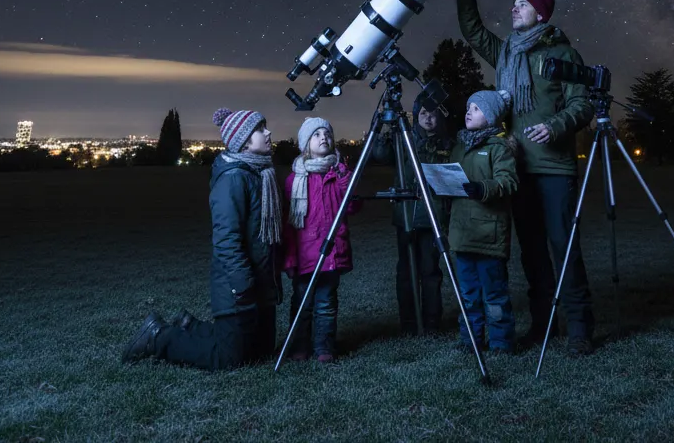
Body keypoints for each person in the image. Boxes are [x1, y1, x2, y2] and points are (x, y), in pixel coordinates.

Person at [455, 0, 596, 354]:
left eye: (523, 5)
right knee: (531, 250)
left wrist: (555, 126)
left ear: (542, 14)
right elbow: (473, 32)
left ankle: (581, 328)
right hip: (516, 169)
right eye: (514, 4)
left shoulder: (563, 53)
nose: (514, 9)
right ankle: (543, 323)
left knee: (562, 246)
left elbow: (582, 104)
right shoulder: (506, 53)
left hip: (553, 167)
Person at [120, 107, 282, 369]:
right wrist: (242, 285)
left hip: (261, 284)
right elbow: (227, 240)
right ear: (243, 140)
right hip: (238, 284)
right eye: (260, 129)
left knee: (261, 353)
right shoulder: (233, 178)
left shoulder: (260, 174)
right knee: (227, 359)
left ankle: (189, 325)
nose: (268, 132)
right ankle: (158, 337)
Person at [370, 97, 453, 335]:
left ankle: (431, 322)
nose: (428, 118)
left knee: (430, 271)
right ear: (415, 115)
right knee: (406, 272)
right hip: (406, 214)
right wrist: (385, 129)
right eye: (424, 113)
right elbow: (380, 155)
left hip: (431, 216)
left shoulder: (445, 143)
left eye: (433, 113)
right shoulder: (404, 138)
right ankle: (408, 322)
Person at [281, 117, 361, 362]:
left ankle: (324, 347)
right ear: (306, 143)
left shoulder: (337, 175)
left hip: (330, 253)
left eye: (327, 133)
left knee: (326, 303)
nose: (323, 137)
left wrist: (345, 176)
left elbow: (353, 206)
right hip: (305, 253)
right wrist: (290, 259)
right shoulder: (295, 180)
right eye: (316, 134)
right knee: (302, 304)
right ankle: (300, 346)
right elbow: (290, 226)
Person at [449, 89, 519, 354]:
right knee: (468, 294)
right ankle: (471, 340)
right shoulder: (459, 148)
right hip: (463, 234)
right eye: (468, 107)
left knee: (494, 295)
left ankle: (501, 341)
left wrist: (484, 188)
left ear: (491, 116)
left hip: (489, 234)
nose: (469, 112)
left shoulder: (498, 148)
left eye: (476, 108)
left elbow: (509, 181)